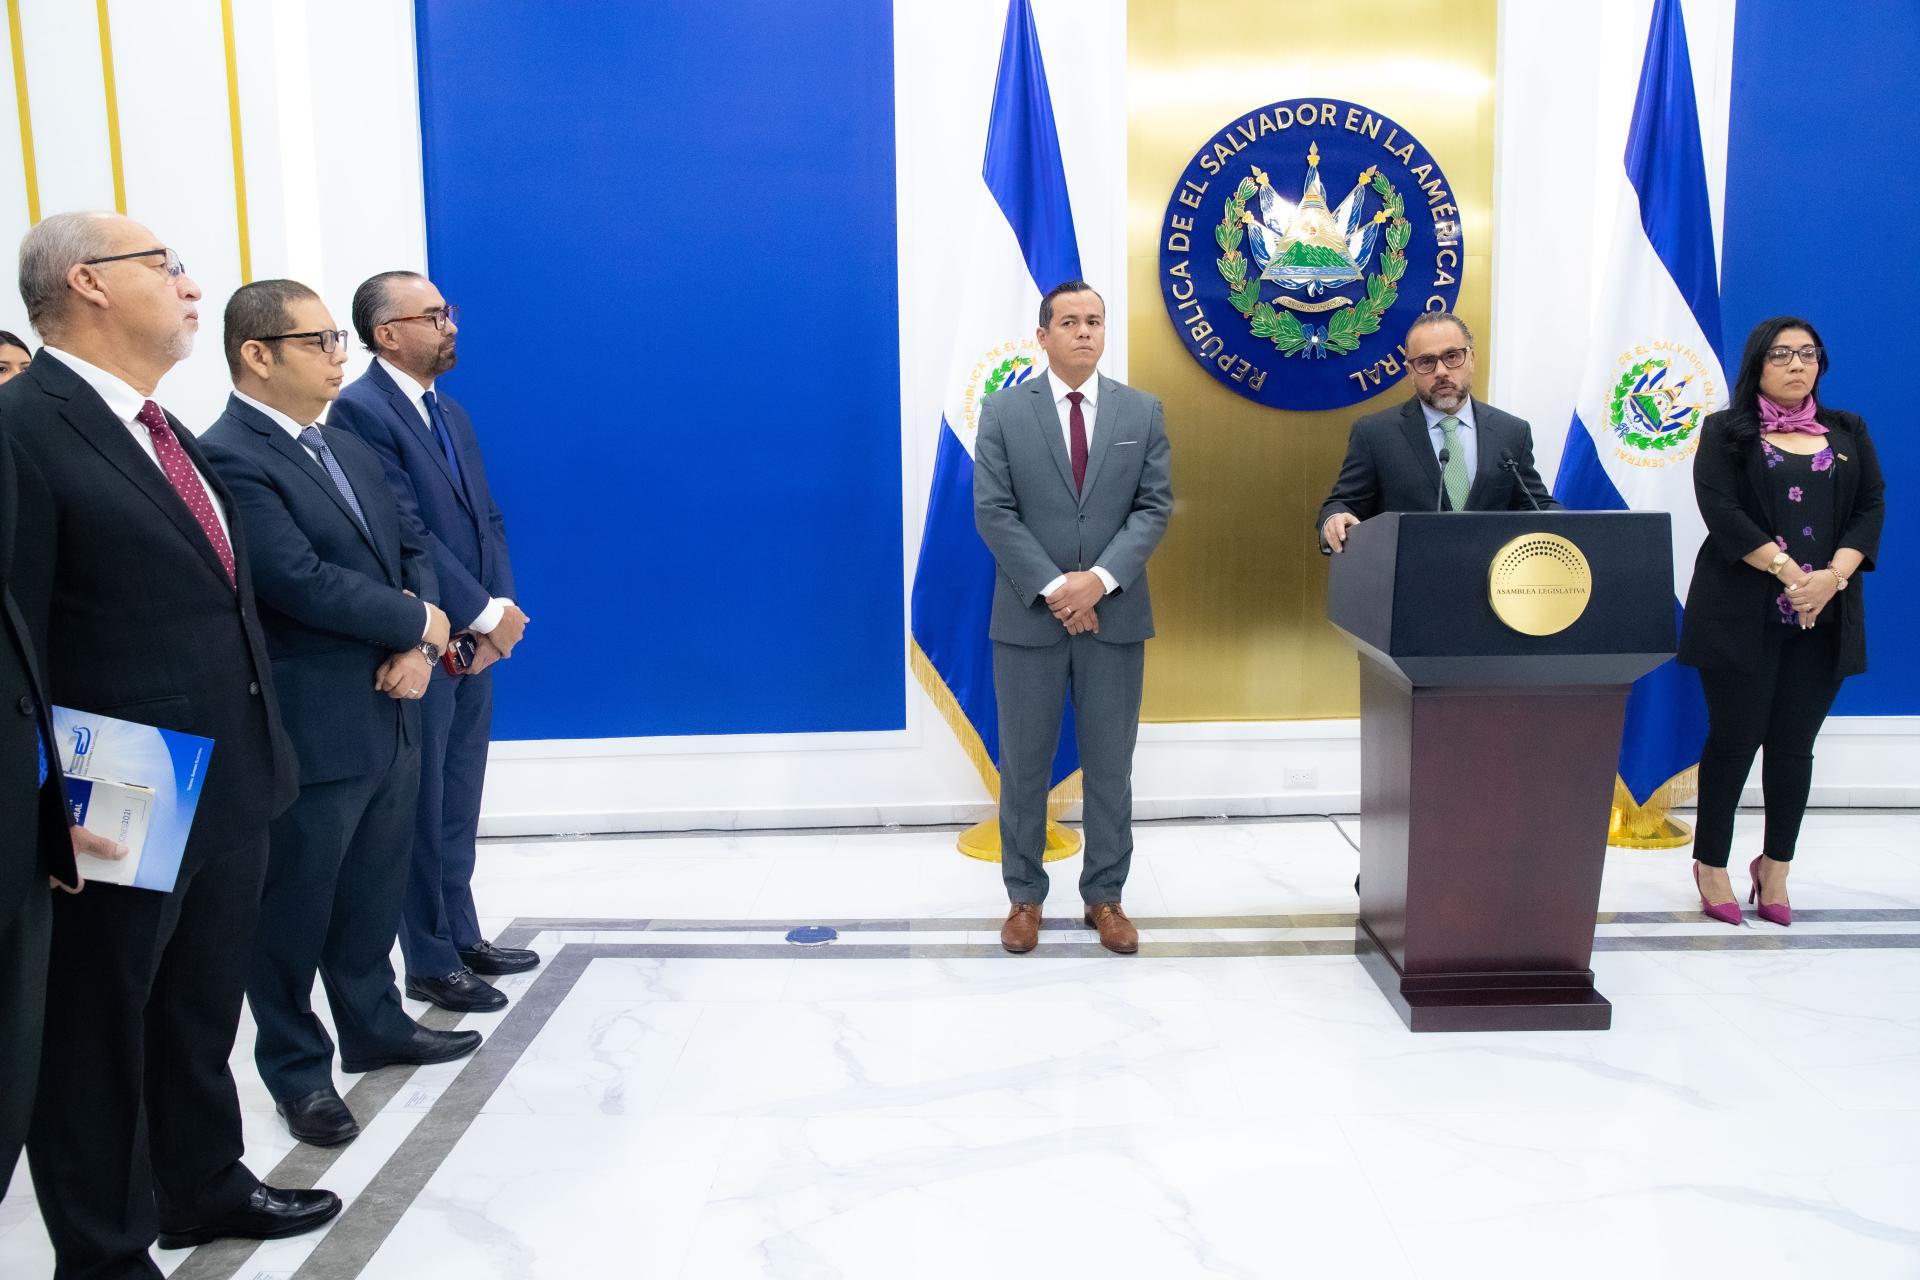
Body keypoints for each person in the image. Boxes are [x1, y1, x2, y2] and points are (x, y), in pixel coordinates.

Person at [4, 211, 339, 1272]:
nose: (194, 285)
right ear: (88, 284)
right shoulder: (25, 425)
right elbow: (11, 636)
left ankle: (203, 1183)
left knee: (196, 1007)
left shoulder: (158, 422)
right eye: (167, 265)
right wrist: (40, 801)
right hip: (113, 782)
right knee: (100, 1032)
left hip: (227, 774)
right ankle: (105, 1248)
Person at [201, 279, 482, 1149]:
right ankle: (297, 1072)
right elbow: (293, 579)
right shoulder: (231, 454)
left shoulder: (343, 443)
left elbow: (408, 545)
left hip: (394, 700)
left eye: (337, 341)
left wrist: (421, 640)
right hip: (314, 718)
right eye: (319, 340)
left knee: (369, 889)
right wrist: (417, 623)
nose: (338, 355)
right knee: (295, 908)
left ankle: (375, 1023)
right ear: (259, 354)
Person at [328, 270, 536, 1012]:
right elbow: (404, 531)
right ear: (388, 333)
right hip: (429, 638)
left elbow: (488, 520)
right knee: (419, 807)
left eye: (449, 311)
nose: (451, 325)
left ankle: (462, 932)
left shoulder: (448, 412)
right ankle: (429, 957)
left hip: (473, 638)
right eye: (435, 314)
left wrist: (500, 615)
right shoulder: (359, 412)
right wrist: (478, 615)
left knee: (459, 797)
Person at [973, 280, 1173, 956]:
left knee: (1111, 768)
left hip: (1115, 620)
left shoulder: (1142, 412)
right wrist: (1061, 589)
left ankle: (1106, 899)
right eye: (1069, 322)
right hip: (1030, 623)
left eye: (1095, 321)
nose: (1084, 331)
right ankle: (1024, 898)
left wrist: (1099, 582)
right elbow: (994, 513)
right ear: (1043, 336)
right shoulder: (1003, 412)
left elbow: (1153, 509)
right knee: (1024, 768)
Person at [1678, 317, 1884, 927]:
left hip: (1823, 613)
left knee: (1795, 748)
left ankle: (1776, 868)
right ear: (1757, 366)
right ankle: (1710, 862)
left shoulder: (1848, 432)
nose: (1797, 364)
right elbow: (1721, 510)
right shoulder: (1727, 432)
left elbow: (1870, 507)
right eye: (1782, 354)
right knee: (1735, 739)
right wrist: (1793, 574)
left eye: (1808, 354)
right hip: (1742, 612)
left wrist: (1831, 579)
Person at [1318, 311, 1559, 553]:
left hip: (1492, 581)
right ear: (1410, 371)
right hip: (1411, 582)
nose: (1441, 371)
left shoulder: (1511, 432)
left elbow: (1534, 504)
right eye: (1426, 362)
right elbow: (1343, 503)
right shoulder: (1375, 434)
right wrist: (1335, 518)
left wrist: (1574, 523)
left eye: (1452, 356)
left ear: (1471, 358)